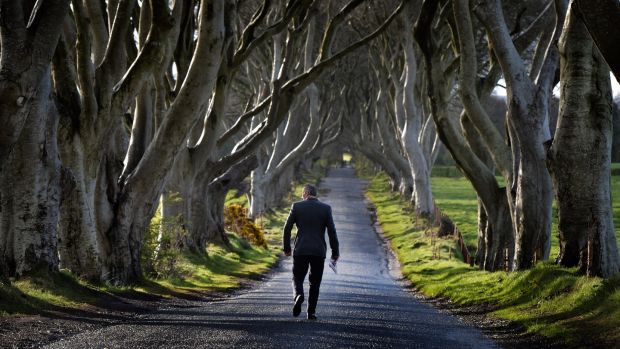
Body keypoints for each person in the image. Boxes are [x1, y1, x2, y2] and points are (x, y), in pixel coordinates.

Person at [283, 184, 339, 320]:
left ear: (306, 193)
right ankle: (311, 312)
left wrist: (287, 248)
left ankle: (298, 295)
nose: (302, 196)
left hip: (301, 249)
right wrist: (335, 251)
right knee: (315, 282)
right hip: (318, 251)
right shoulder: (326, 209)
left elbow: (287, 228)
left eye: (303, 193)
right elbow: (332, 231)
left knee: (297, 277)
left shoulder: (297, 206)